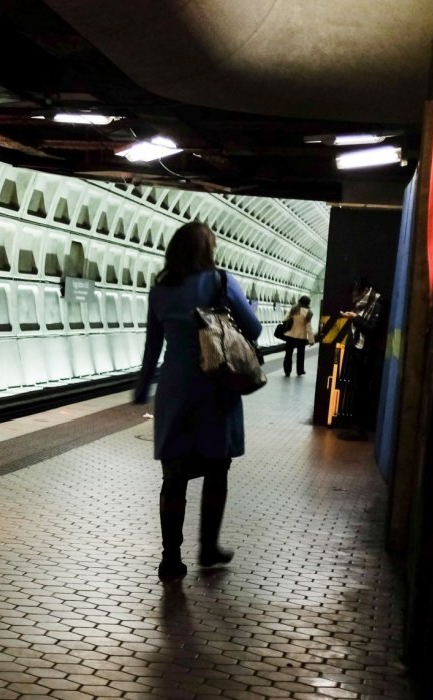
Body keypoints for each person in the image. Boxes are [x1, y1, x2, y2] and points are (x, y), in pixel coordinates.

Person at [133, 222, 263, 581]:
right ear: (208, 250)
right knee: (216, 469)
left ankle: (170, 560)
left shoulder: (160, 289)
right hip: (215, 385)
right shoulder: (220, 282)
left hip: (175, 391)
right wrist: (247, 306)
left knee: (173, 477)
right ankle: (208, 548)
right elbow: (253, 329)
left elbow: (152, 346)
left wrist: (142, 388)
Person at [338, 278, 383, 440]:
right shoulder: (364, 304)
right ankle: (356, 427)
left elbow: (372, 327)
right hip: (358, 351)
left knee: (362, 391)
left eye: (359, 292)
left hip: (366, 354)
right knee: (356, 390)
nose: (356, 297)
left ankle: (359, 429)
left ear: (366, 290)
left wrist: (354, 318)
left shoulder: (376, 303)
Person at [282, 295, 315, 377]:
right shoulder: (309, 313)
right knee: (301, 355)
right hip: (301, 337)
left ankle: (287, 371)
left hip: (290, 335)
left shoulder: (294, 309)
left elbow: (284, 319)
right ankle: (300, 371)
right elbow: (308, 327)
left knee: (288, 354)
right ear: (308, 303)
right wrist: (311, 340)